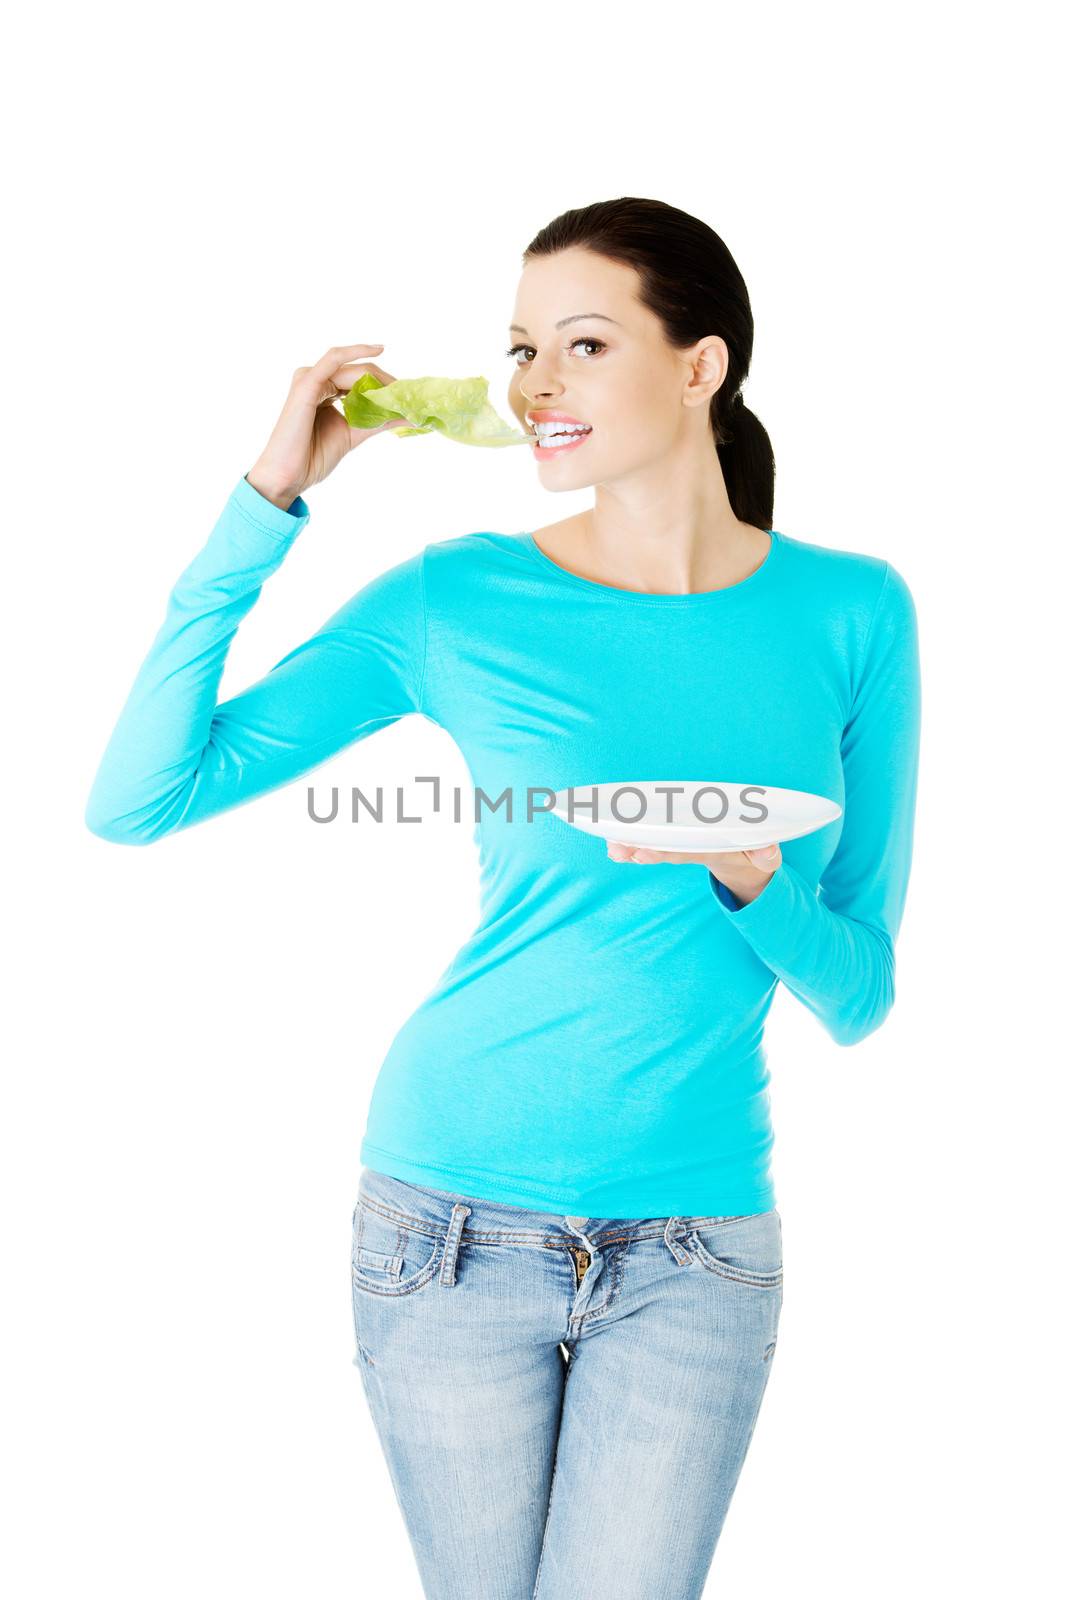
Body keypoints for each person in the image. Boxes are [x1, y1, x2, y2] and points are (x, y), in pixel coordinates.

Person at [85, 196, 921, 1600]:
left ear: (702, 367)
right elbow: (141, 797)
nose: (534, 387)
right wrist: (268, 502)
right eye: (523, 348)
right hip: (445, 1224)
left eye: (582, 346)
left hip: (698, 1249)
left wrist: (753, 883)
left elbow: (861, 989)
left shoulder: (854, 611)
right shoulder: (455, 599)